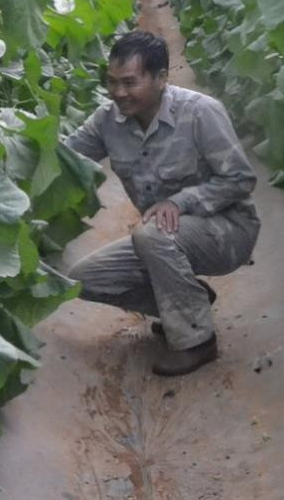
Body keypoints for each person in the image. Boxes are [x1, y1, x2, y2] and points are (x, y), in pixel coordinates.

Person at [60, 30, 260, 376]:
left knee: (152, 234)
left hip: (229, 231)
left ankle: (197, 342)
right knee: (84, 279)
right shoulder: (108, 121)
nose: (118, 93)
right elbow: (62, 157)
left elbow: (241, 180)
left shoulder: (200, 113)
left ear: (162, 78)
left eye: (130, 82)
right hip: (164, 238)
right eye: (111, 82)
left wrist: (182, 202)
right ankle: (189, 304)